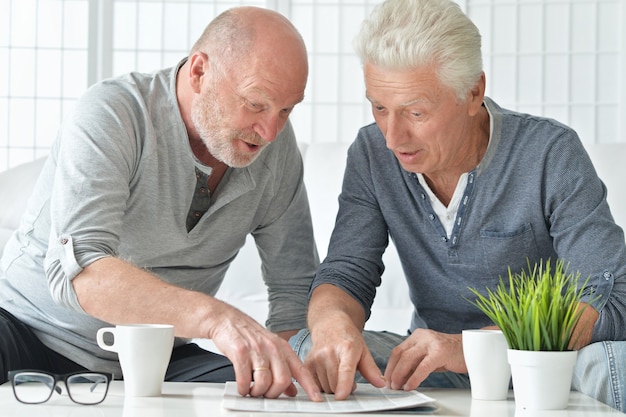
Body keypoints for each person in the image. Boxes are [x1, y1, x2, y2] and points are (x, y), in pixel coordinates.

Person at [290, 0, 626, 411]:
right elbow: (346, 272)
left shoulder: (550, 152)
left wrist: (473, 347)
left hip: (539, 361)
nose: (394, 137)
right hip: (434, 364)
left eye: (415, 111)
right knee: (308, 346)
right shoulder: (372, 153)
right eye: (379, 107)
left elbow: (610, 297)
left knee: (613, 362)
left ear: (473, 93)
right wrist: (332, 326)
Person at [0, 6, 322, 402]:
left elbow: (294, 294)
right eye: (256, 104)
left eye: (286, 109)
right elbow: (80, 271)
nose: (271, 131)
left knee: (266, 392)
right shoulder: (114, 113)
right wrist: (215, 318)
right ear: (200, 72)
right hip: (27, 330)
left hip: (162, 354)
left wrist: (296, 371)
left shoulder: (277, 152)